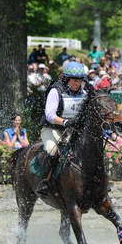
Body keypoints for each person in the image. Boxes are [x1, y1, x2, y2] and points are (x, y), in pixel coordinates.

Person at [36, 61, 91, 195]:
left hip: (73, 131)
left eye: (79, 80)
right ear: (67, 79)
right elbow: (49, 115)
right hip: (53, 129)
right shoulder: (56, 91)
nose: (77, 83)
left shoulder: (83, 93)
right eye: (74, 80)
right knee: (52, 150)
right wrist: (65, 122)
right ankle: (46, 182)